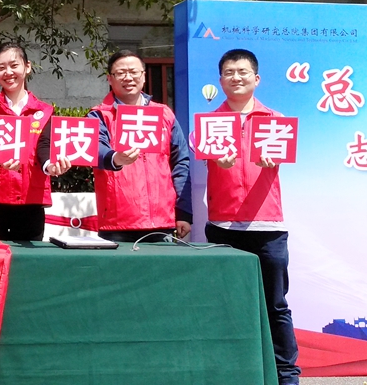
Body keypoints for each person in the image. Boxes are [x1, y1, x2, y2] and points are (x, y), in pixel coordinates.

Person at [205, 48, 300, 385]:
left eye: (243, 72)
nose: (236, 77)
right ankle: (234, 372)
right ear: (220, 80)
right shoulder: (210, 124)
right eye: (229, 72)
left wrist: (273, 160)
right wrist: (217, 160)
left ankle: (286, 375)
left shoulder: (275, 121)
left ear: (256, 78)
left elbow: (283, 156)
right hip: (223, 226)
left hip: (267, 226)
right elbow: (198, 153)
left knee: (275, 305)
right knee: (226, 305)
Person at [86, 50, 192, 243]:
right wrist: (115, 158)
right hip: (117, 224)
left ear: (143, 75)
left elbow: (180, 162)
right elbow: (94, 149)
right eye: (120, 73)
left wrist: (183, 212)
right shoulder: (99, 115)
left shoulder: (164, 114)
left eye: (134, 72)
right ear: (110, 78)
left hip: (162, 222)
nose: (128, 78)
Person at [0, 42, 53, 241]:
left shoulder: (45, 111)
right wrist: (1, 160)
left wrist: (51, 166)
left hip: (30, 201)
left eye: (14, 65)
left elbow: (44, 147)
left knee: (28, 260)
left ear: (27, 67)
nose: (8, 72)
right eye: (1, 68)